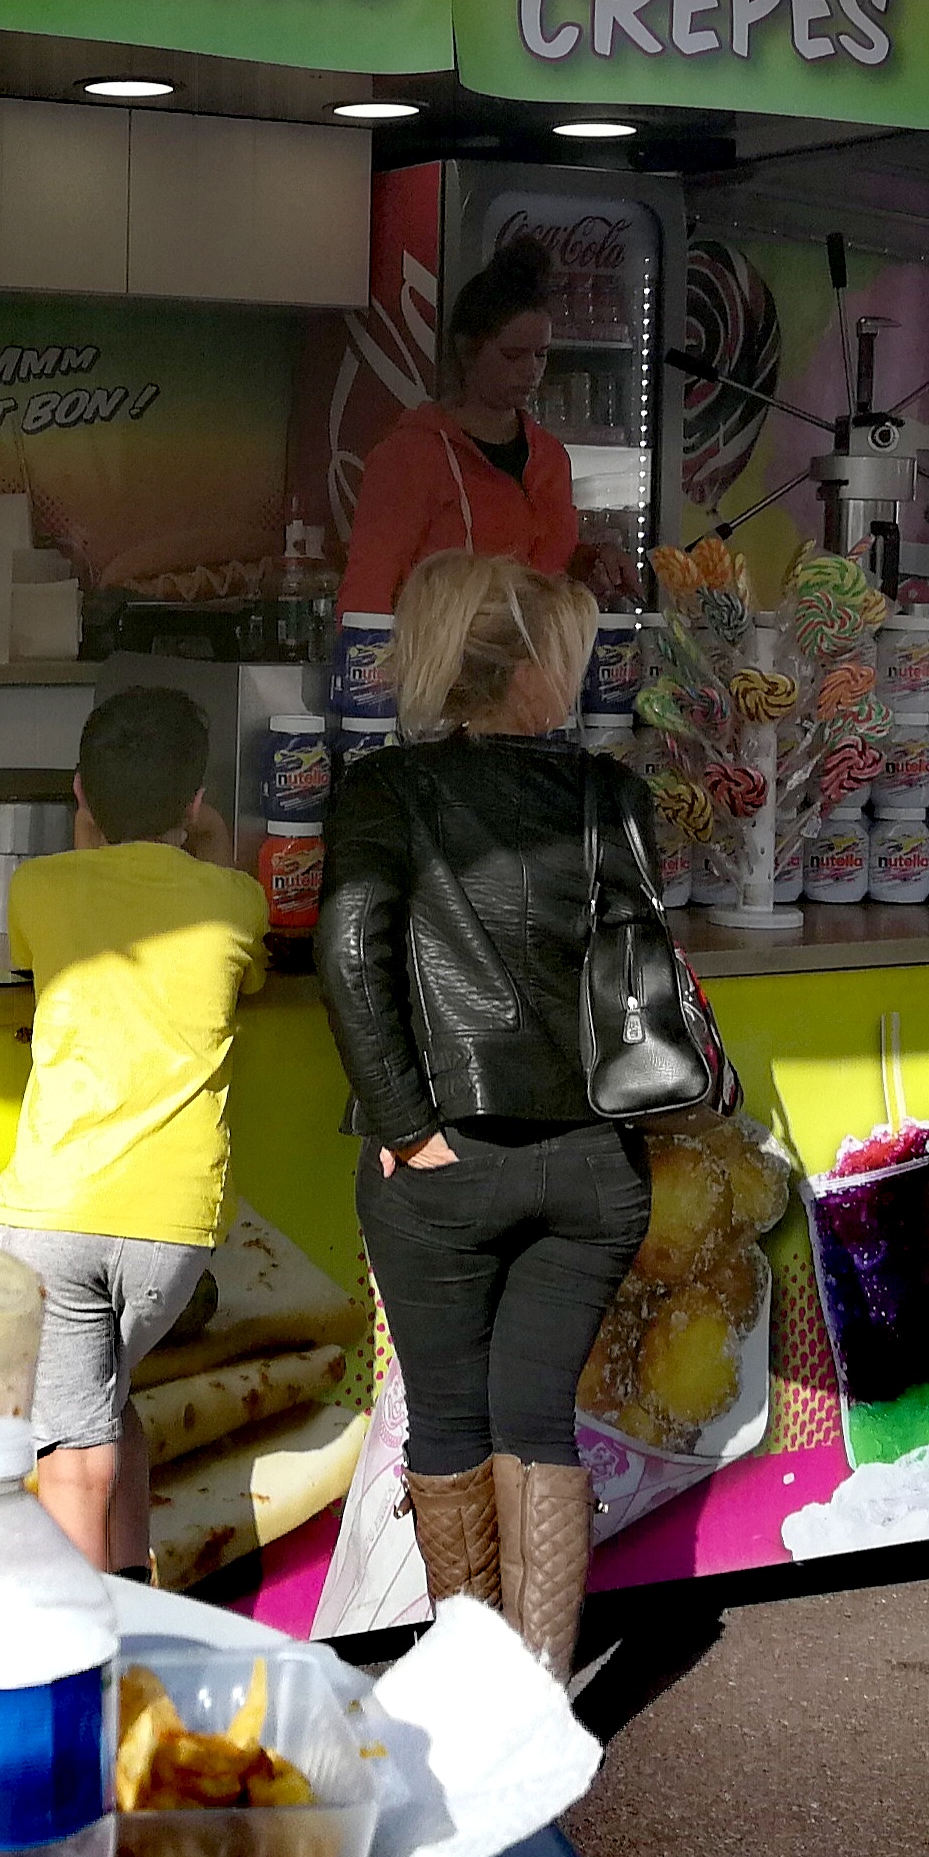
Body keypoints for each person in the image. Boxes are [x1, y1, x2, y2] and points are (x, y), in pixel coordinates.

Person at [314, 549, 649, 1679]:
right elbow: (637, 971)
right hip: (593, 1161)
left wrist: (406, 1126)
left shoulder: (382, 791)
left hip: (442, 1162)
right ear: (527, 669)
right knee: (538, 1422)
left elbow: (351, 953)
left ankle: (472, 1698)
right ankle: (537, 1703)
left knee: (452, 1426)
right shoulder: (611, 795)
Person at [0, 686, 270, 1576]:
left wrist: (99, 838)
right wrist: (206, 846)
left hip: (56, 1215)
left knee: (73, 1457)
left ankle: (87, 1645)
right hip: (173, 1231)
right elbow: (241, 961)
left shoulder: (37, 886)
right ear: (196, 802)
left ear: (80, 793)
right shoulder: (233, 901)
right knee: (110, 1410)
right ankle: (137, 1603)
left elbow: (58, 930)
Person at [338, 231, 581, 614]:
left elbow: (549, 565)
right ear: (467, 351)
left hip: (540, 648)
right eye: (513, 355)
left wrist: (592, 560)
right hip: (445, 650)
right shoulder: (410, 455)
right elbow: (368, 587)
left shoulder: (551, 457)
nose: (531, 371)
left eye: (541, 355)